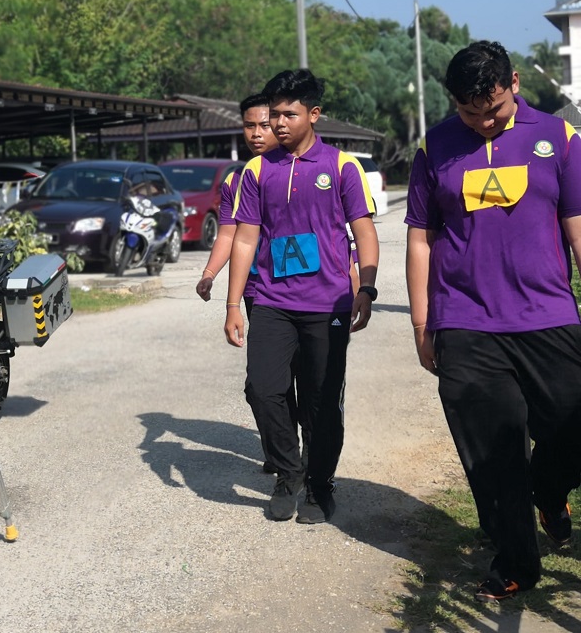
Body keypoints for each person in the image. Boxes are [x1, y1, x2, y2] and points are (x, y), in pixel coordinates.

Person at [405, 40, 581, 602]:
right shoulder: (435, 146)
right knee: (491, 451)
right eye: (469, 112)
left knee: (572, 430)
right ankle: (515, 560)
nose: (483, 123)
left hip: (547, 315)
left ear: (515, 82)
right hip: (466, 321)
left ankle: (549, 492)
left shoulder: (559, 138)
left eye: (494, 110)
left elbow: (577, 227)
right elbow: (420, 238)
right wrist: (421, 323)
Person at [223, 69, 379, 524]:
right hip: (272, 300)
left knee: (321, 398)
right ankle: (289, 473)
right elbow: (245, 239)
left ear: (314, 114)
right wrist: (233, 304)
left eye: (289, 114)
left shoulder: (342, 166)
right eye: (274, 115)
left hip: (327, 304)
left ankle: (319, 482)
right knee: (264, 389)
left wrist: (365, 288)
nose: (279, 123)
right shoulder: (256, 170)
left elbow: (364, 233)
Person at [197, 94, 287, 474]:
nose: (257, 133)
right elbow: (230, 234)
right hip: (256, 290)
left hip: (304, 290)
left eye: (264, 125)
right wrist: (209, 274)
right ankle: (281, 450)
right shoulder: (238, 178)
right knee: (262, 384)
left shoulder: (300, 170)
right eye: (249, 125)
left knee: (302, 378)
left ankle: (305, 453)